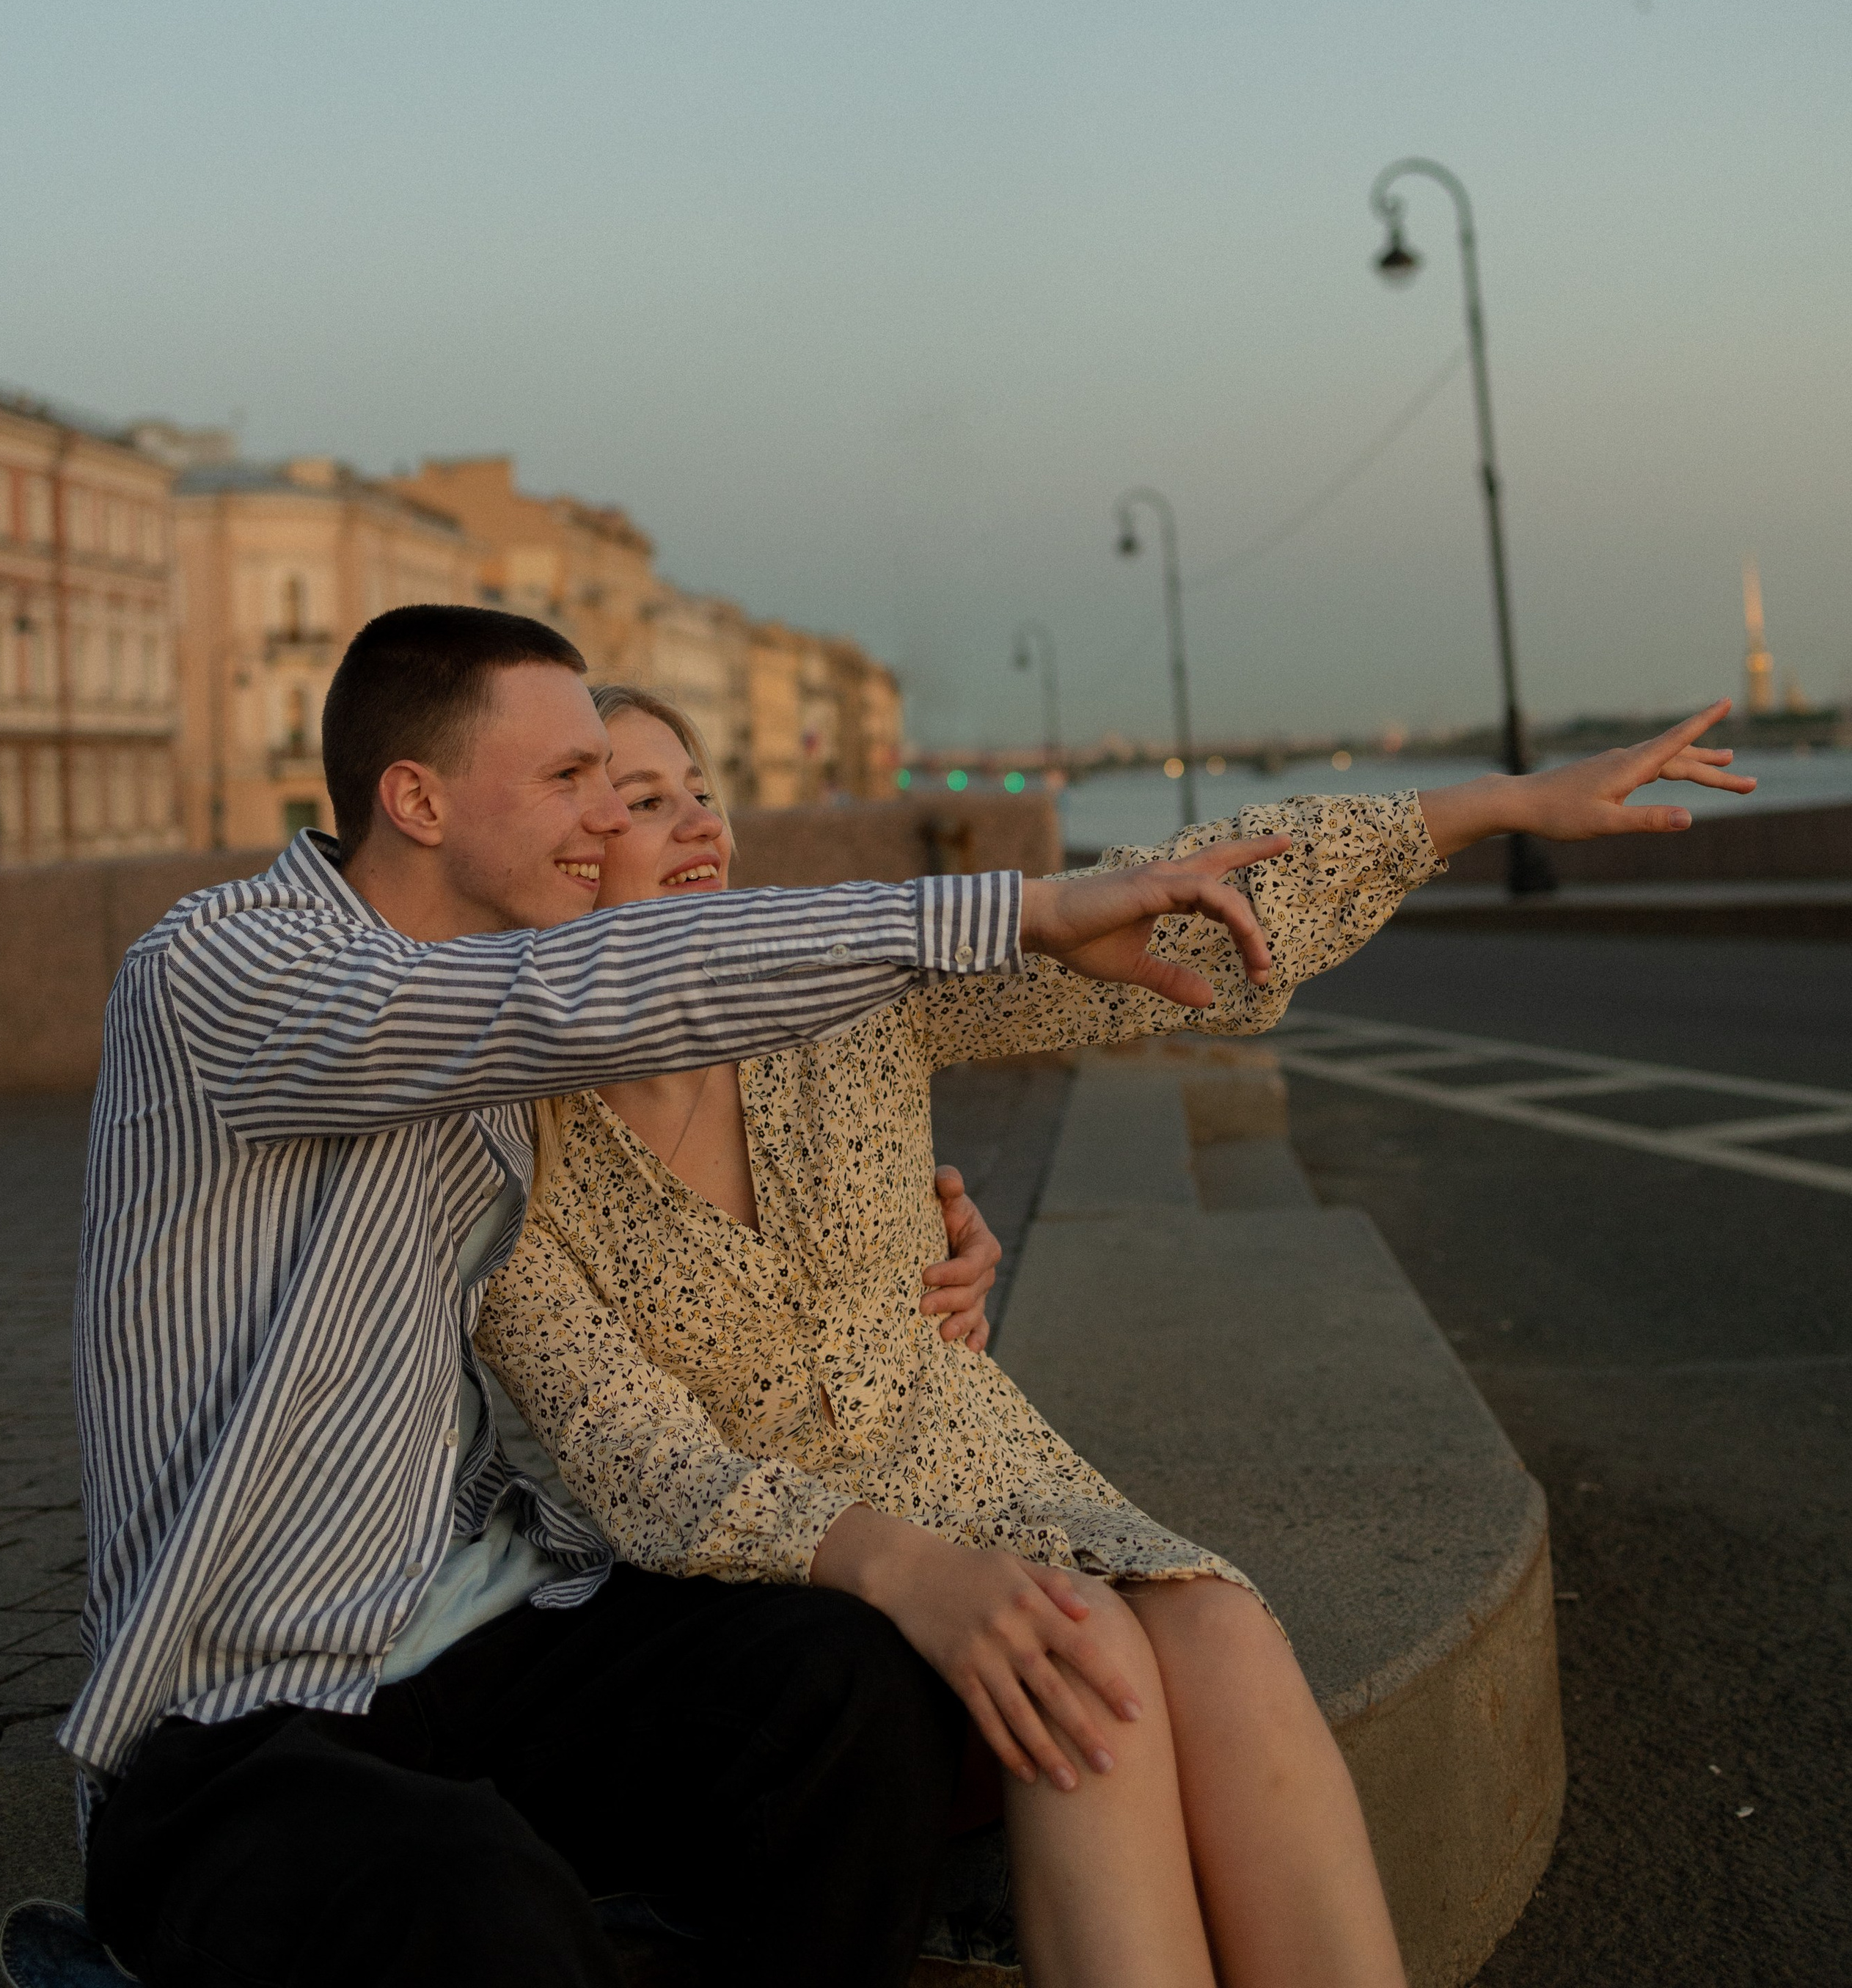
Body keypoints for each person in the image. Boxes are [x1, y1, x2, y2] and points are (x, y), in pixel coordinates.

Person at [66, 603, 1292, 1988]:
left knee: (849, 1691)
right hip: (239, 1711)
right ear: (414, 798)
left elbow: (653, 1121)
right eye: (571, 782)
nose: (604, 823)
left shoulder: (513, 1062)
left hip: (488, 1633)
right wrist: (1015, 909)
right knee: (472, 1897)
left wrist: (918, 1249)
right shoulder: (220, 968)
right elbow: (566, 1000)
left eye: (619, 783)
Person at [480, 686, 1754, 1988]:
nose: (698, 820)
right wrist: (916, 1572)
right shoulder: (501, 1150)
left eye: (703, 788)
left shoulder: (845, 998)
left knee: (1221, 1628)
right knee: (1090, 1667)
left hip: (986, 1472)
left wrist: (1491, 807)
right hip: (789, 1598)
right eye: (644, 801)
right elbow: (636, 1461)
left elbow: (1156, 904)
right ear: (570, 853)